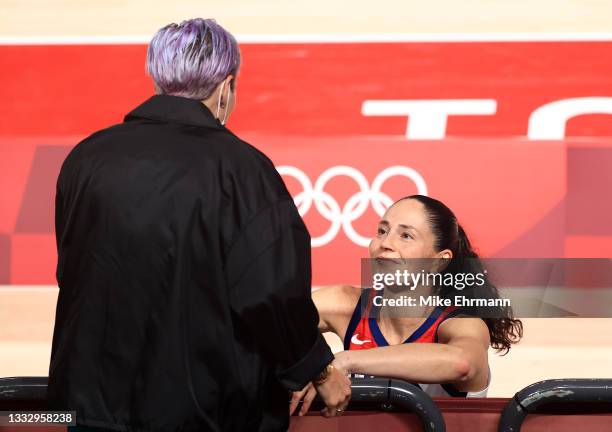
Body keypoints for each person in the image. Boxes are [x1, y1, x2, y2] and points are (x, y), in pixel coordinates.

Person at [49, 18, 350, 432]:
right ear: (226, 87)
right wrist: (317, 369)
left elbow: (73, 271)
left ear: (157, 77)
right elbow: (271, 294)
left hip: (92, 408)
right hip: (205, 414)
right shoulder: (243, 170)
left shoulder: (85, 159)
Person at [290, 195, 522, 416]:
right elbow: (270, 318)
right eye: (382, 231)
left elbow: (462, 362)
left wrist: (340, 362)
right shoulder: (347, 303)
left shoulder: (462, 324)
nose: (385, 243)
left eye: (406, 236)